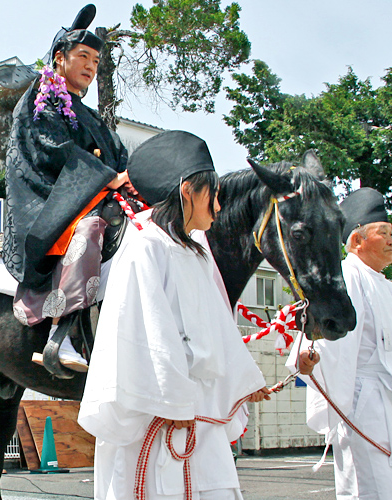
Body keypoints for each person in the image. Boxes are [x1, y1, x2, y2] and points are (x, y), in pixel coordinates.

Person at [78, 131, 271, 500]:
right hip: (161, 413)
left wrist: (245, 379)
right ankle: (63, 331)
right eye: (212, 195)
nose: (217, 207)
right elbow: (146, 330)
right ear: (188, 191)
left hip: (196, 411)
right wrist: (171, 399)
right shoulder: (146, 246)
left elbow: (219, 327)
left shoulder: (197, 251)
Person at [2, 4, 133, 376]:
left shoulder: (88, 113)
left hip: (95, 193)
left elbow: (117, 154)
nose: (91, 66)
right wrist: (106, 176)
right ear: (60, 58)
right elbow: (49, 147)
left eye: (95, 60)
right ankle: (64, 332)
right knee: (91, 228)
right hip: (50, 196)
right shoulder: (40, 100)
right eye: (83, 56)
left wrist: (128, 175)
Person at [287, 187, 392, 500]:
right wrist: (308, 356)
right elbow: (328, 336)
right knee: (366, 489)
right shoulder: (347, 276)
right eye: (384, 233)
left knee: (387, 488)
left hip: (389, 401)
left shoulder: (391, 289)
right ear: (357, 240)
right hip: (362, 400)